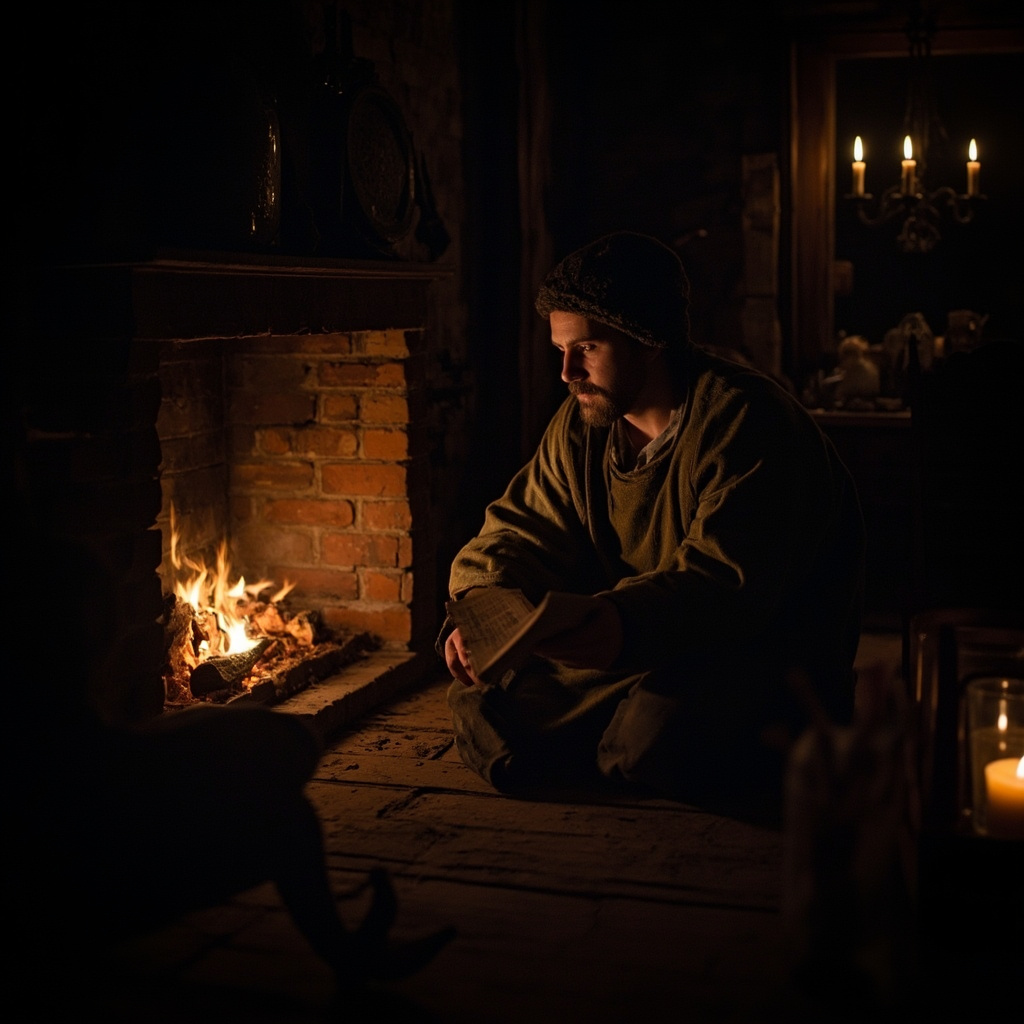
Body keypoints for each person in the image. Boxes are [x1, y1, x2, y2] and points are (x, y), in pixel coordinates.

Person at [437, 231, 865, 820]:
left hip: (749, 652)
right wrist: (483, 606)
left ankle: (610, 748)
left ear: (649, 341)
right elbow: (520, 526)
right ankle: (600, 746)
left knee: (657, 728)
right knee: (482, 699)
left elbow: (724, 584)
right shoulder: (582, 423)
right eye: (560, 348)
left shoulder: (746, 421)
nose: (566, 371)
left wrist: (616, 621)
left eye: (587, 347)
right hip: (636, 651)